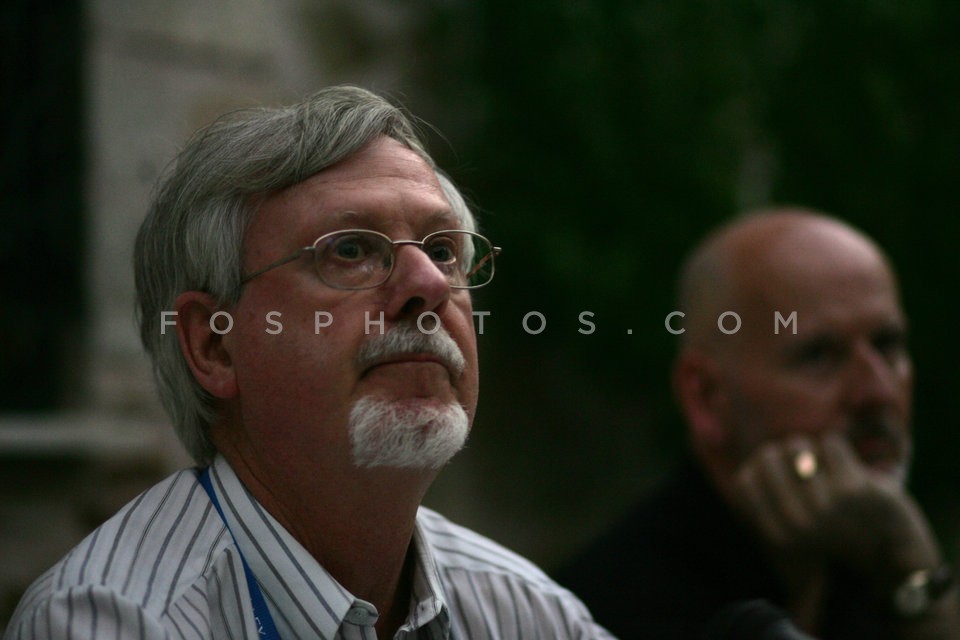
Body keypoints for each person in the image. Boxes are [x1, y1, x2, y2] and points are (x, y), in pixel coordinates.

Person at [4, 86, 613, 640]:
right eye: (350, 250)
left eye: (443, 250)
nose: (428, 284)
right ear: (215, 345)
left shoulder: (529, 614)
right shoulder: (111, 624)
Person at [556, 209, 960, 639]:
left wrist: (911, 569)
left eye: (888, 345)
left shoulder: (864, 556)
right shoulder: (608, 614)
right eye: (820, 356)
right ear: (707, 397)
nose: (877, 391)